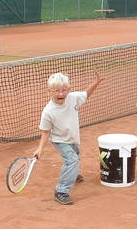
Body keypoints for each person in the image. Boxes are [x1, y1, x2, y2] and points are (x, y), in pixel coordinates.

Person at [33, 70, 104, 205]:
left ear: (68, 90)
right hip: (59, 140)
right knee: (72, 160)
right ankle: (61, 191)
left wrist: (96, 83)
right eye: (57, 91)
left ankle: (73, 174)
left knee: (76, 155)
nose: (61, 94)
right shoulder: (48, 111)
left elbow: (86, 94)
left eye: (64, 90)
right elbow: (46, 131)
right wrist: (40, 149)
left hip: (72, 137)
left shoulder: (72, 98)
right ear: (50, 91)